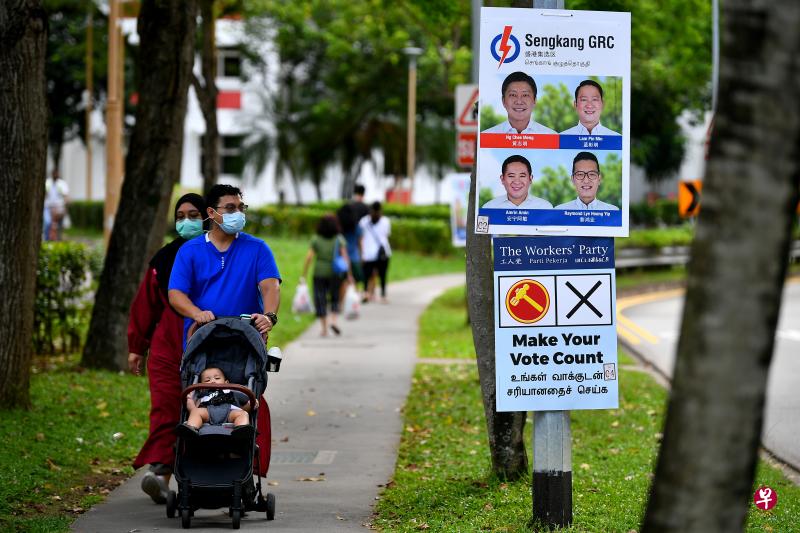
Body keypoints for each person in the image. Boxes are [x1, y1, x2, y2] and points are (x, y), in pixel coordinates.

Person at [127, 193, 206, 504]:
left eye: (194, 214)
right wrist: (137, 346)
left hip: (207, 337)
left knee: (212, 405)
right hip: (167, 342)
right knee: (165, 408)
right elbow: (145, 304)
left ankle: (217, 476)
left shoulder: (218, 255)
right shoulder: (163, 258)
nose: (186, 221)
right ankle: (161, 476)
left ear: (208, 216)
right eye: (180, 215)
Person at [168, 183, 281, 344]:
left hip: (247, 340)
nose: (238, 213)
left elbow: (271, 287)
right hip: (203, 339)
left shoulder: (258, 248)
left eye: (241, 208)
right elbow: (176, 294)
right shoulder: (189, 250)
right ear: (211, 212)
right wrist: (197, 313)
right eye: (230, 208)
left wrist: (269, 316)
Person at [302, 214, 352, 336]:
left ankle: (324, 329)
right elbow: (345, 257)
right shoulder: (339, 239)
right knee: (335, 297)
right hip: (335, 272)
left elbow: (309, 257)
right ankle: (334, 321)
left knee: (320, 298)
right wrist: (349, 274)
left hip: (319, 272)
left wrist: (304, 273)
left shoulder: (316, 239)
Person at [180, 367, 254, 436]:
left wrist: (250, 404)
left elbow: (244, 408)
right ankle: (191, 428)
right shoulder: (202, 395)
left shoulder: (232, 391)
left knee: (243, 413)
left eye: (217, 378)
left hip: (230, 412)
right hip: (208, 412)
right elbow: (195, 409)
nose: (212, 381)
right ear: (201, 387)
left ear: (226, 383)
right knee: (195, 412)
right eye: (207, 380)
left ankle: (241, 429)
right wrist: (190, 403)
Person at [482, 71, 556, 134]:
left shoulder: (551, 136)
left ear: (534, 101)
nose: (519, 101)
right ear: (503, 101)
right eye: (513, 95)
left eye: (525, 95)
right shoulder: (487, 136)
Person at [482, 154, 553, 209]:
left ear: (530, 179)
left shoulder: (545, 207)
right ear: (502, 179)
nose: (516, 182)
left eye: (522, 176)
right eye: (511, 176)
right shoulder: (489, 207)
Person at [336, 184, 368, 303]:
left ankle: (341, 301)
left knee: (343, 280)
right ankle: (355, 299)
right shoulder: (364, 210)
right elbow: (361, 241)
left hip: (340, 257)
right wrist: (362, 254)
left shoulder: (339, 228)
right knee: (355, 278)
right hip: (354, 256)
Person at [555, 152, 619, 210]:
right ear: (573, 179)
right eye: (580, 174)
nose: (586, 181)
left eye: (592, 174)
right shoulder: (559, 211)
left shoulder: (613, 211)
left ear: (599, 179)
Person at [359, 202, 391, 303]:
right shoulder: (366, 221)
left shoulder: (364, 221)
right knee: (372, 274)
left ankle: (371, 293)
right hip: (372, 253)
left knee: (378, 274)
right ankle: (375, 294)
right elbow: (387, 235)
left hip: (378, 252)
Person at [44, 169, 70, 241]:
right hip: (48, 207)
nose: (55, 175)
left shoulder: (62, 184)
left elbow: (66, 196)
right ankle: (46, 239)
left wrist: (65, 205)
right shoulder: (47, 183)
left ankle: (58, 240)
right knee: (48, 223)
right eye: (54, 174)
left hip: (59, 208)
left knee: (59, 226)